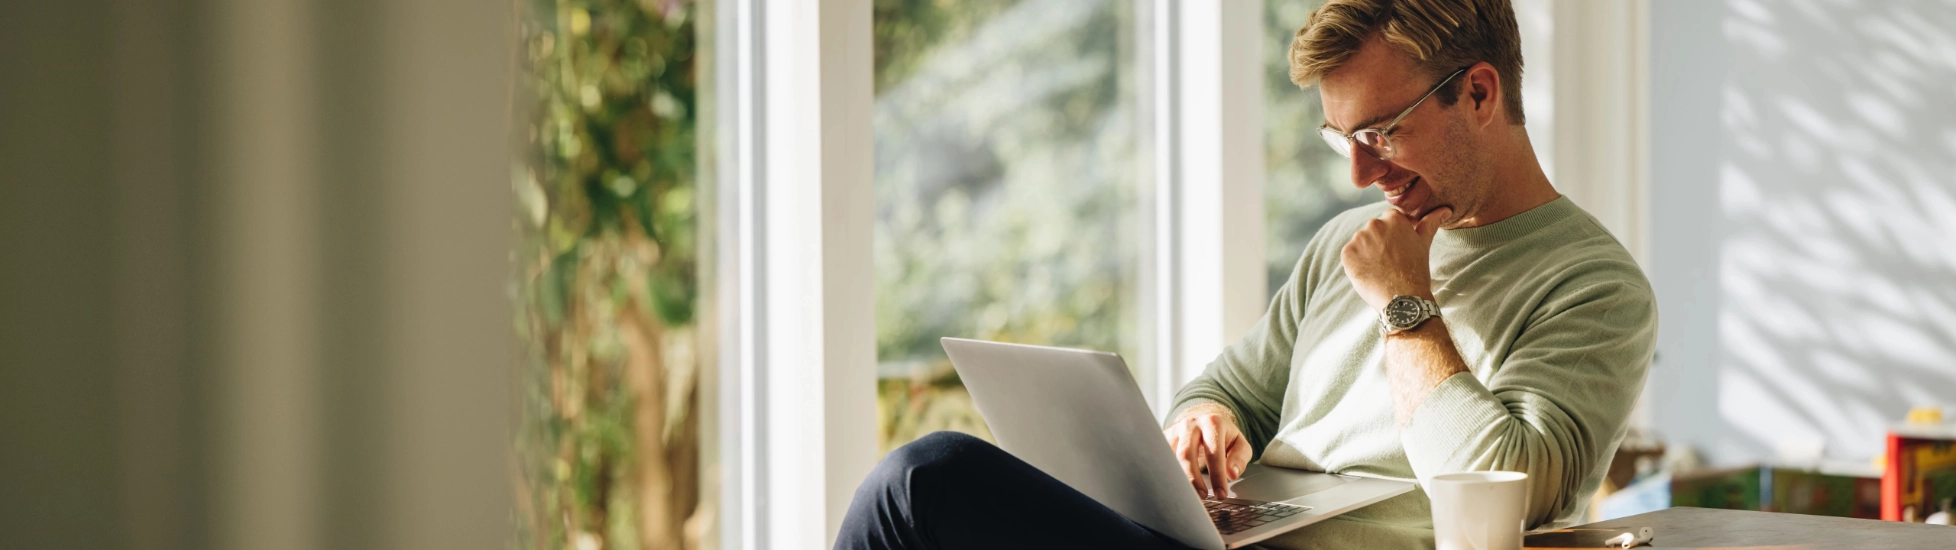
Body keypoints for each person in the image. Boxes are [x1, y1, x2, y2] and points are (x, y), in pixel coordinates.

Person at [834, 0, 1657, 548]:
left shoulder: (1595, 289)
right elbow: (1231, 386)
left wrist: (1407, 305)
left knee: (927, 480)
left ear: (1478, 94)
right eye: (1344, 141)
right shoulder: (1348, 241)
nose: (1360, 176)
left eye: (1382, 132)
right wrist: (1202, 421)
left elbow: (1501, 490)